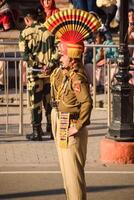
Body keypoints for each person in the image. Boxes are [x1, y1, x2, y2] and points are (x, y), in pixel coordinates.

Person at [44, 9, 101, 199]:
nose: (60, 55)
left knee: (73, 174)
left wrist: (77, 126)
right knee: (66, 173)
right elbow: (55, 81)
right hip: (60, 120)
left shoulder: (78, 78)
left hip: (71, 123)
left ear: (72, 55)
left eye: (63, 52)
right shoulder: (64, 71)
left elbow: (87, 103)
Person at [19, 9, 59, 141]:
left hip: (34, 74)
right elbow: (57, 51)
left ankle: (37, 132)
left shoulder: (25, 32)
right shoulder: (50, 30)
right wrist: (50, 65)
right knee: (50, 102)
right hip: (49, 73)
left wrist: (37, 65)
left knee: (35, 103)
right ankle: (52, 130)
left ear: (27, 19)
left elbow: (24, 55)